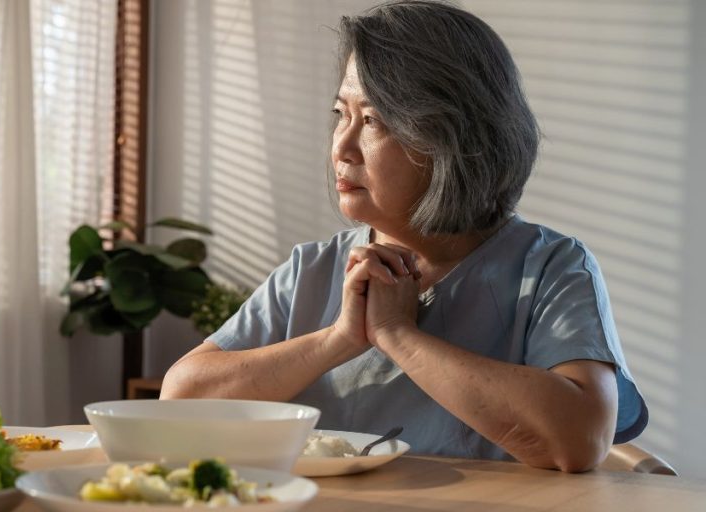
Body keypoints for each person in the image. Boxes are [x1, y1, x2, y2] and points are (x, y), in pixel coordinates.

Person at [160, 0, 647, 473]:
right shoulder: (311, 269)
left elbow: (581, 440)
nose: (343, 147)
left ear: (452, 138)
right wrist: (339, 339)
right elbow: (179, 400)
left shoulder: (551, 268)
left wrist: (398, 336)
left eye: (372, 120)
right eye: (340, 115)